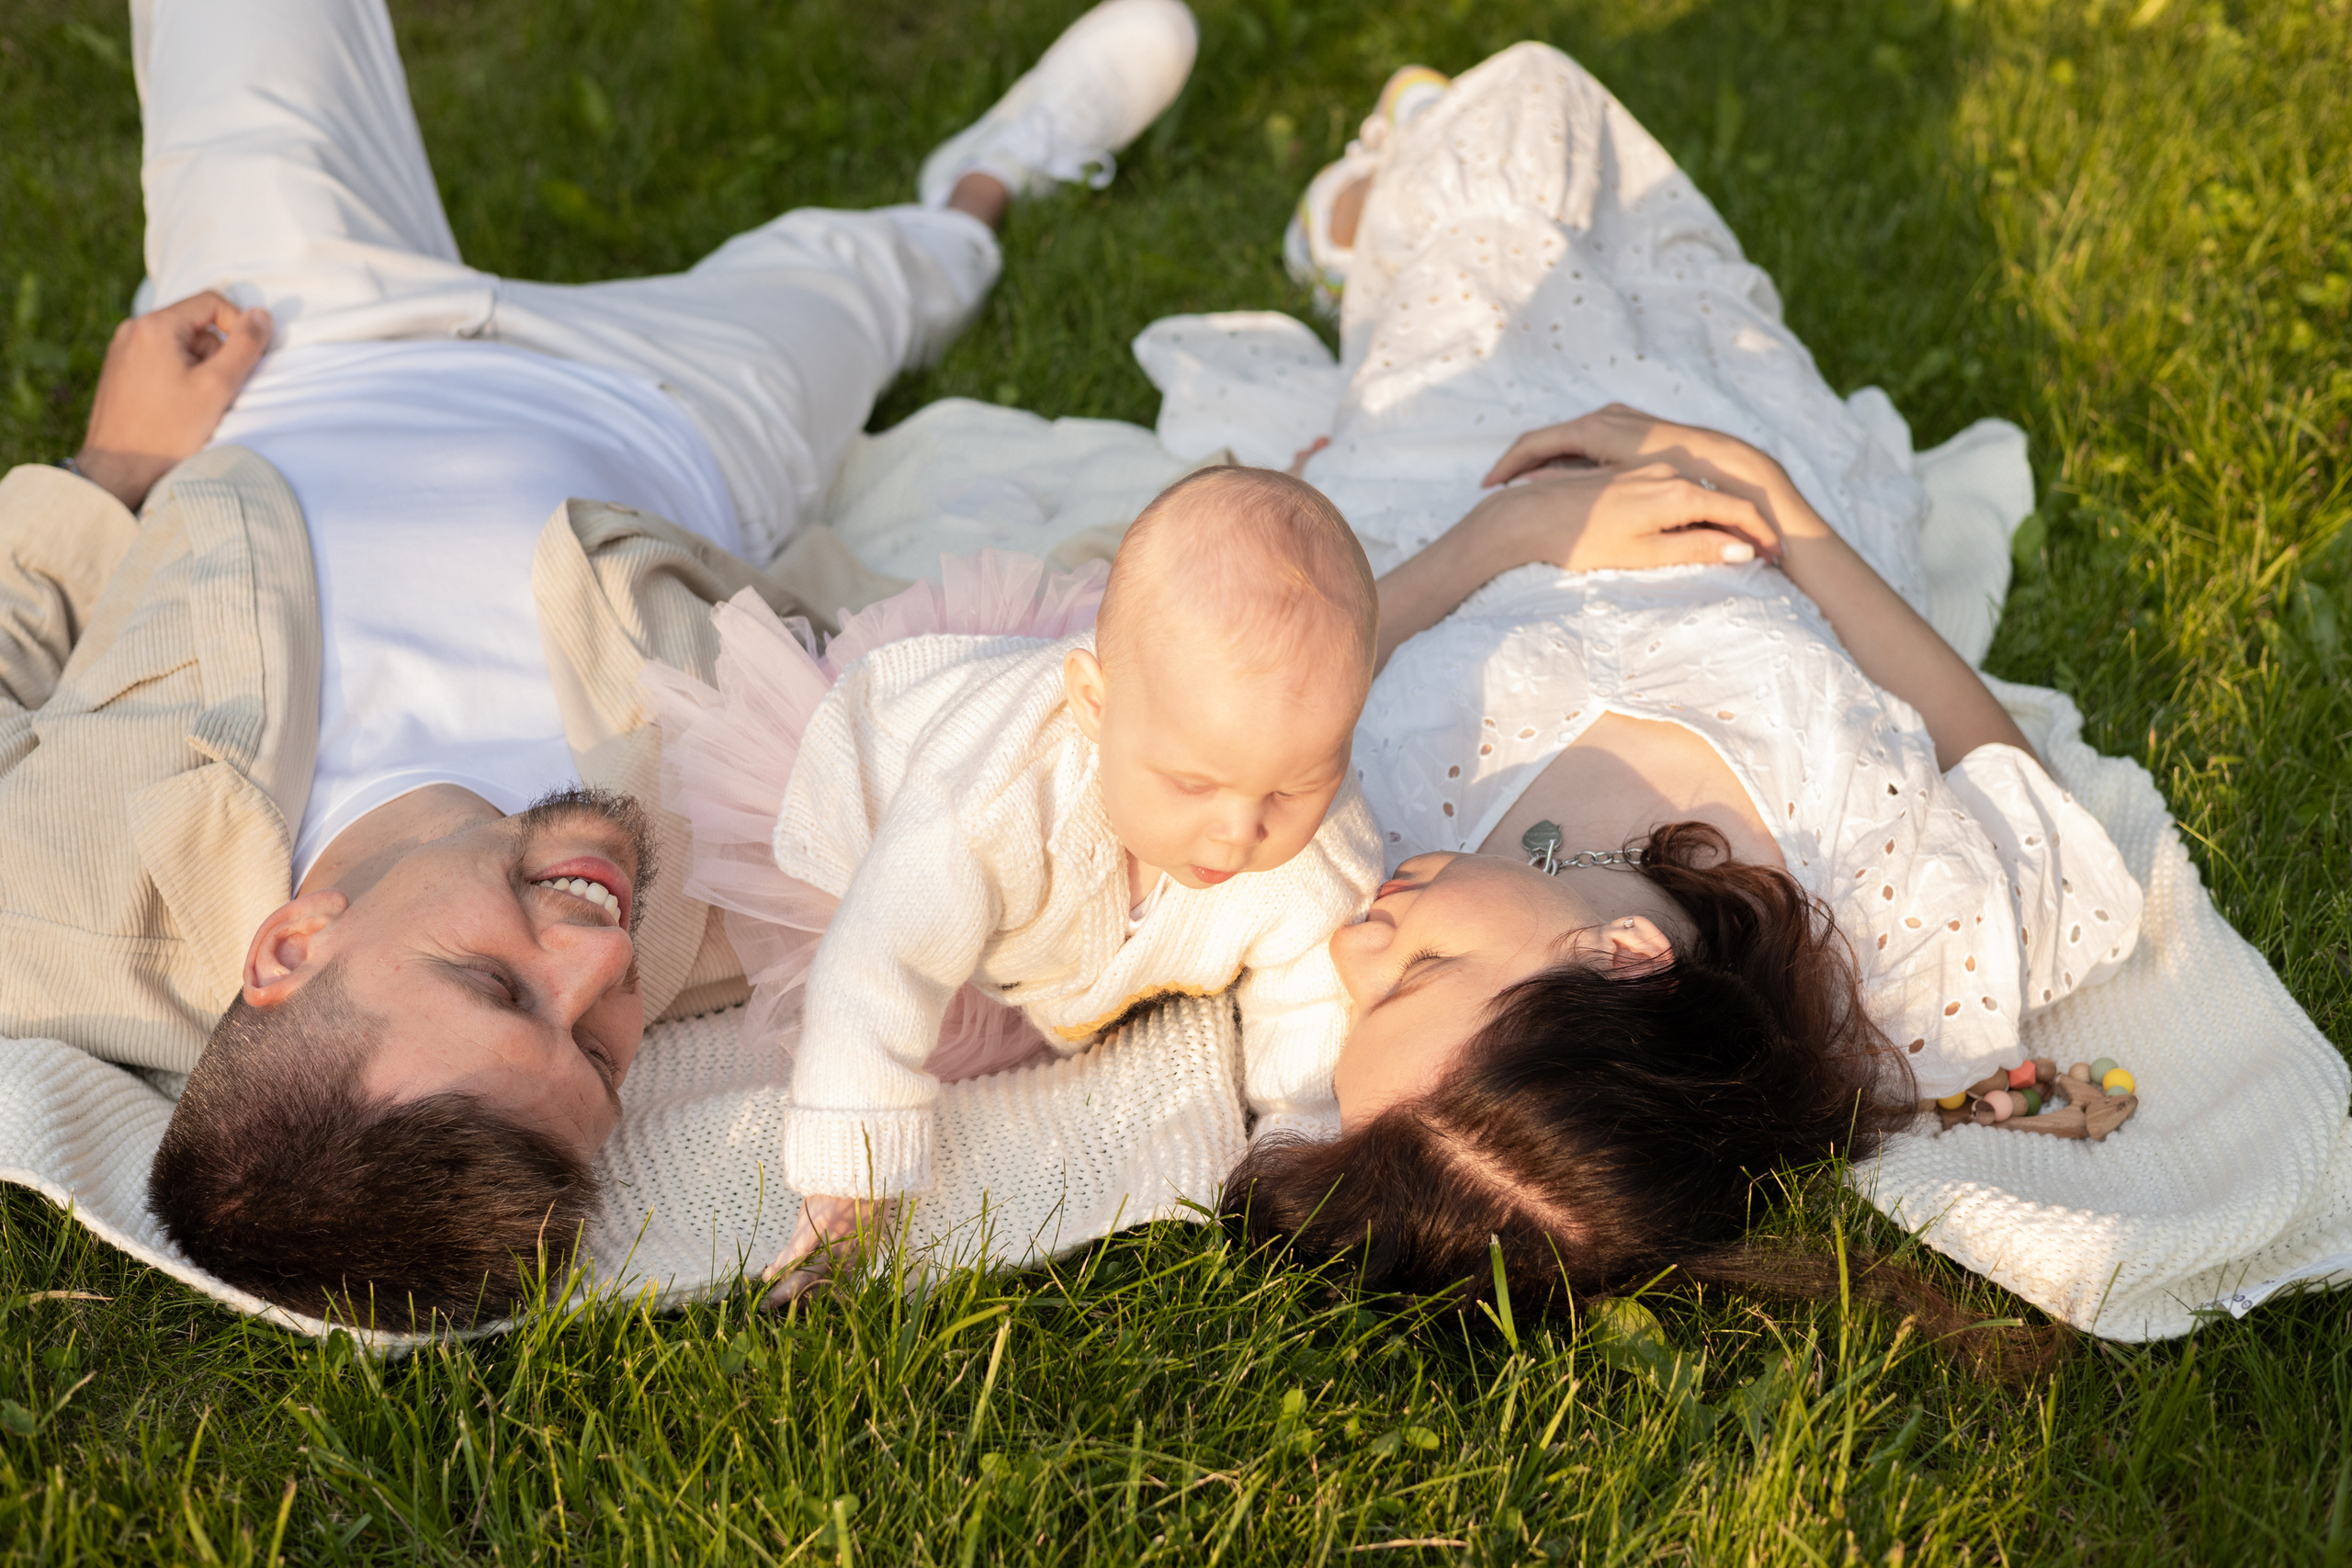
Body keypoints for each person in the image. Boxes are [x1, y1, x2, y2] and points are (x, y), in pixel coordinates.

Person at [0, 0, 1200, 1325]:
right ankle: (987, 179)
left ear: (289, 946)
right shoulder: (759, 885)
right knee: (870, 280)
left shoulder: (60, 908)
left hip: (293, 351)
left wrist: (111, 467)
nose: (599, 960)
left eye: (498, 983)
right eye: (597, 1052)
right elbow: (1019, 762)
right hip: (679, 410)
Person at [1216, 46, 2146, 1347]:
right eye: (1418, 967)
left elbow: (1302, 673)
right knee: (1593, 188)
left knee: (1516, 128)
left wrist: (1506, 537)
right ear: (1622, 956)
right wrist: (1775, 498)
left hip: (1460, 494)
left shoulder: (1388, 818)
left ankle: (1373, 214)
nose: (1352, 945)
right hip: (1746, 482)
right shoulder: (1892, 932)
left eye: (1365, 999)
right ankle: (1387, 201)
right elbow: (2007, 766)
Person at [643, 467, 1384, 1299]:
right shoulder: (991, 799)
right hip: (876, 804)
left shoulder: (1314, 851)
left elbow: (1315, 991)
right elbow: (886, 954)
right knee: (689, 865)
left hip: (1035, 931)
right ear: (1095, 708)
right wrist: (851, 1172)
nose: (1240, 830)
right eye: (1192, 783)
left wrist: (1303, 1139)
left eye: (1292, 787)